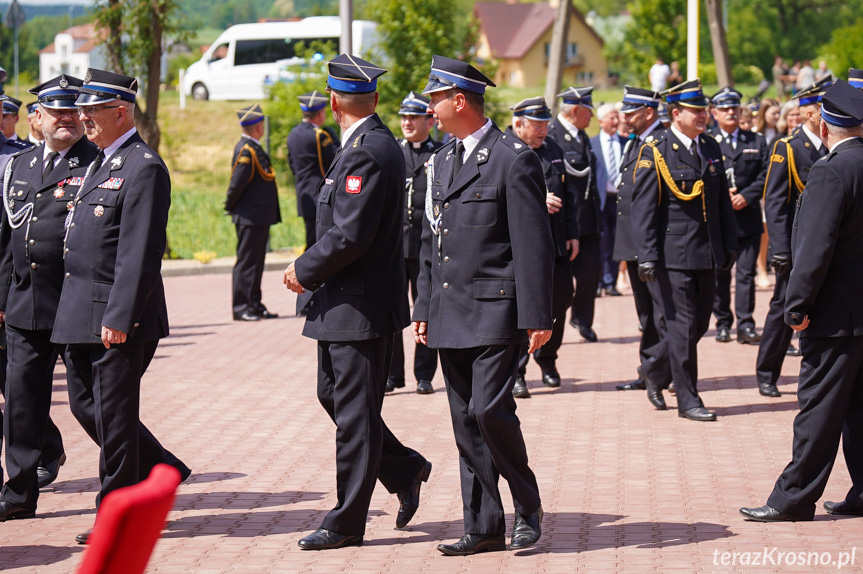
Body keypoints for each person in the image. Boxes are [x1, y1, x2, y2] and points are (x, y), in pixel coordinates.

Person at [283, 54, 431, 551]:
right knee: (337, 400)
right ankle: (405, 467)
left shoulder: (368, 151)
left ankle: (346, 521)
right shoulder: (364, 146)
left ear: (332, 100)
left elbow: (350, 235)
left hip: (359, 306)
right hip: (343, 303)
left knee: (353, 414)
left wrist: (302, 269)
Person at [412, 55, 553, 555]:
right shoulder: (441, 161)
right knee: (464, 422)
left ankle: (527, 500)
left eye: (434, 98)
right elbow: (434, 241)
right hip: (451, 312)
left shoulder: (513, 158)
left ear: (459, 100)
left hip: (497, 309)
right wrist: (424, 307)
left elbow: (532, 244)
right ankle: (484, 524)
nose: (429, 107)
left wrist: (539, 316)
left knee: (489, 409)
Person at [51, 68, 191, 544]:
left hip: (115, 316)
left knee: (112, 415)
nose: (83, 117)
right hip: (78, 311)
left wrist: (120, 316)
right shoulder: (99, 160)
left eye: (93, 110)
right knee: (85, 407)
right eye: (82, 109)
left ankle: (117, 514)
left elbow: (140, 251)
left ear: (120, 111)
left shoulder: (143, 166)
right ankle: (162, 469)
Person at [740, 79, 863, 522]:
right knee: (858, 409)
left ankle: (792, 498)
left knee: (818, 409)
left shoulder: (831, 170)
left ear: (826, 124)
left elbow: (815, 248)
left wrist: (796, 304)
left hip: (833, 314)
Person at [0, 75, 98, 522]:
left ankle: (154, 465)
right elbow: (8, 241)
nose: (65, 119)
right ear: (36, 117)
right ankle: (19, 493)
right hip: (27, 305)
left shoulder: (98, 163)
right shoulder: (18, 166)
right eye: (54, 111)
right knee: (22, 402)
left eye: (71, 111)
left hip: (76, 303)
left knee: (92, 404)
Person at [631, 79, 738, 421]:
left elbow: (721, 201)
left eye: (704, 110)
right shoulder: (656, 149)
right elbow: (644, 209)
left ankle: (654, 371)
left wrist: (728, 243)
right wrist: (646, 256)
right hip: (671, 255)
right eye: (696, 111)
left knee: (699, 325)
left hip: (707, 253)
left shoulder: (709, 147)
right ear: (676, 114)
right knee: (682, 327)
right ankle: (688, 399)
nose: (703, 115)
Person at [756, 77, 832, 399]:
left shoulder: (833, 146)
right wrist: (780, 249)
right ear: (808, 115)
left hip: (824, 247)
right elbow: (774, 202)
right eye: (820, 110)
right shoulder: (787, 147)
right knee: (783, 308)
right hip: (794, 247)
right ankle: (766, 372)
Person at [505, 96, 578, 399]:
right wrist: (538, 201)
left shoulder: (553, 150)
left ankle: (548, 361)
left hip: (556, 244)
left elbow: (569, 194)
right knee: (524, 309)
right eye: (537, 125)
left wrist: (573, 233)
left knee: (561, 300)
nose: (543, 130)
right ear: (518, 124)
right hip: (522, 249)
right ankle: (518, 371)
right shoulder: (506, 152)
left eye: (546, 123)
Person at [611, 85, 671, 397]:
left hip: (652, 245)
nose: (625, 117)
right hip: (633, 242)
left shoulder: (660, 141)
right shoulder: (636, 141)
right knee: (646, 314)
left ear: (648, 112)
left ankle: (660, 372)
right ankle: (648, 369)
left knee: (662, 314)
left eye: (631, 112)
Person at [386, 91, 441, 395]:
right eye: (404, 117)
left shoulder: (440, 152)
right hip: (396, 248)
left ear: (429, 121)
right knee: (394, 312)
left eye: (413, 117)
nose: (407, 122)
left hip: (425, 249)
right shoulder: (394, 152)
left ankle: (424, 374)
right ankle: (393, 375)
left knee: (426, 311)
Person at [709, 87, 768, 346]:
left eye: (734, 108)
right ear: (714, 113)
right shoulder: (707, 141)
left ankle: (745, 324)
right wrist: (723, 194)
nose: (730, 112)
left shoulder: (756, 141)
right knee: (720, 274)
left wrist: (748, 195)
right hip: (719, 222)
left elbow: (766, 175)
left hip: (748, 219)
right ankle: (723, 322)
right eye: (724, 109)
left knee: (746, 275)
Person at [549, 87, 603, 342]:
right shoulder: (551, 136)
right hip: (562, 222)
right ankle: (556, 323)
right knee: (560, 286)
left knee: (590, 276)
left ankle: (582, 319)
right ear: (575, 110)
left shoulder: (581, 136)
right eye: (588, 111)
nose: (591, 116)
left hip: (588, 220)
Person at [225, 104, 281, 322]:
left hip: (258, 216)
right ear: (258, 127)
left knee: (256, 263)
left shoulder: (254, 148)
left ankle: (254, 302)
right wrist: (230, 206)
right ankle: (241, 306)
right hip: (249, 216)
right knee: (247, 263)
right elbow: (237, 184)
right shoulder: (246, 150)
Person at [287, 90, 339, 317]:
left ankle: (306, 298)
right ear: (320, 113)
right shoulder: (321, 136)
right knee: (316, 249)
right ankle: (308, 299)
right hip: (320, 197)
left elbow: (291, 164)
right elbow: (335, 160)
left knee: (309, 245)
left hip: (303, 195)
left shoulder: (293, 134)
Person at [592, 102, 625, 297]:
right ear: (601, 121)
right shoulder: (592, 144)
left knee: (616, 242)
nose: (616, 121)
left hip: (620, 201)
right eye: (612, 118)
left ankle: (611, 282)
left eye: (617, 117)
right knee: (600, 242)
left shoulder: (625, 143)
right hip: (600, 201)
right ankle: (598, 281)